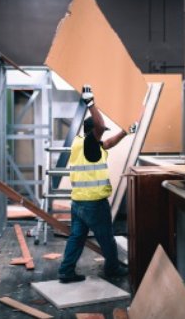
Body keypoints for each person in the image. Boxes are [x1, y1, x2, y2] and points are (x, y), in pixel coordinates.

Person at [58, 84, 135, 283]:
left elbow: (108, 143)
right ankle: (112, 268)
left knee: (76, 237)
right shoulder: (89, 143)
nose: (102, 133)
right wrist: (91, 103)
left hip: (78, 203)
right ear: (93, 131)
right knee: (106, 238)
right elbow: (100, 127)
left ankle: (66, 271)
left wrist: (125, 132)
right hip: (94, 203)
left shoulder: (81, 143)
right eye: (99, 132)